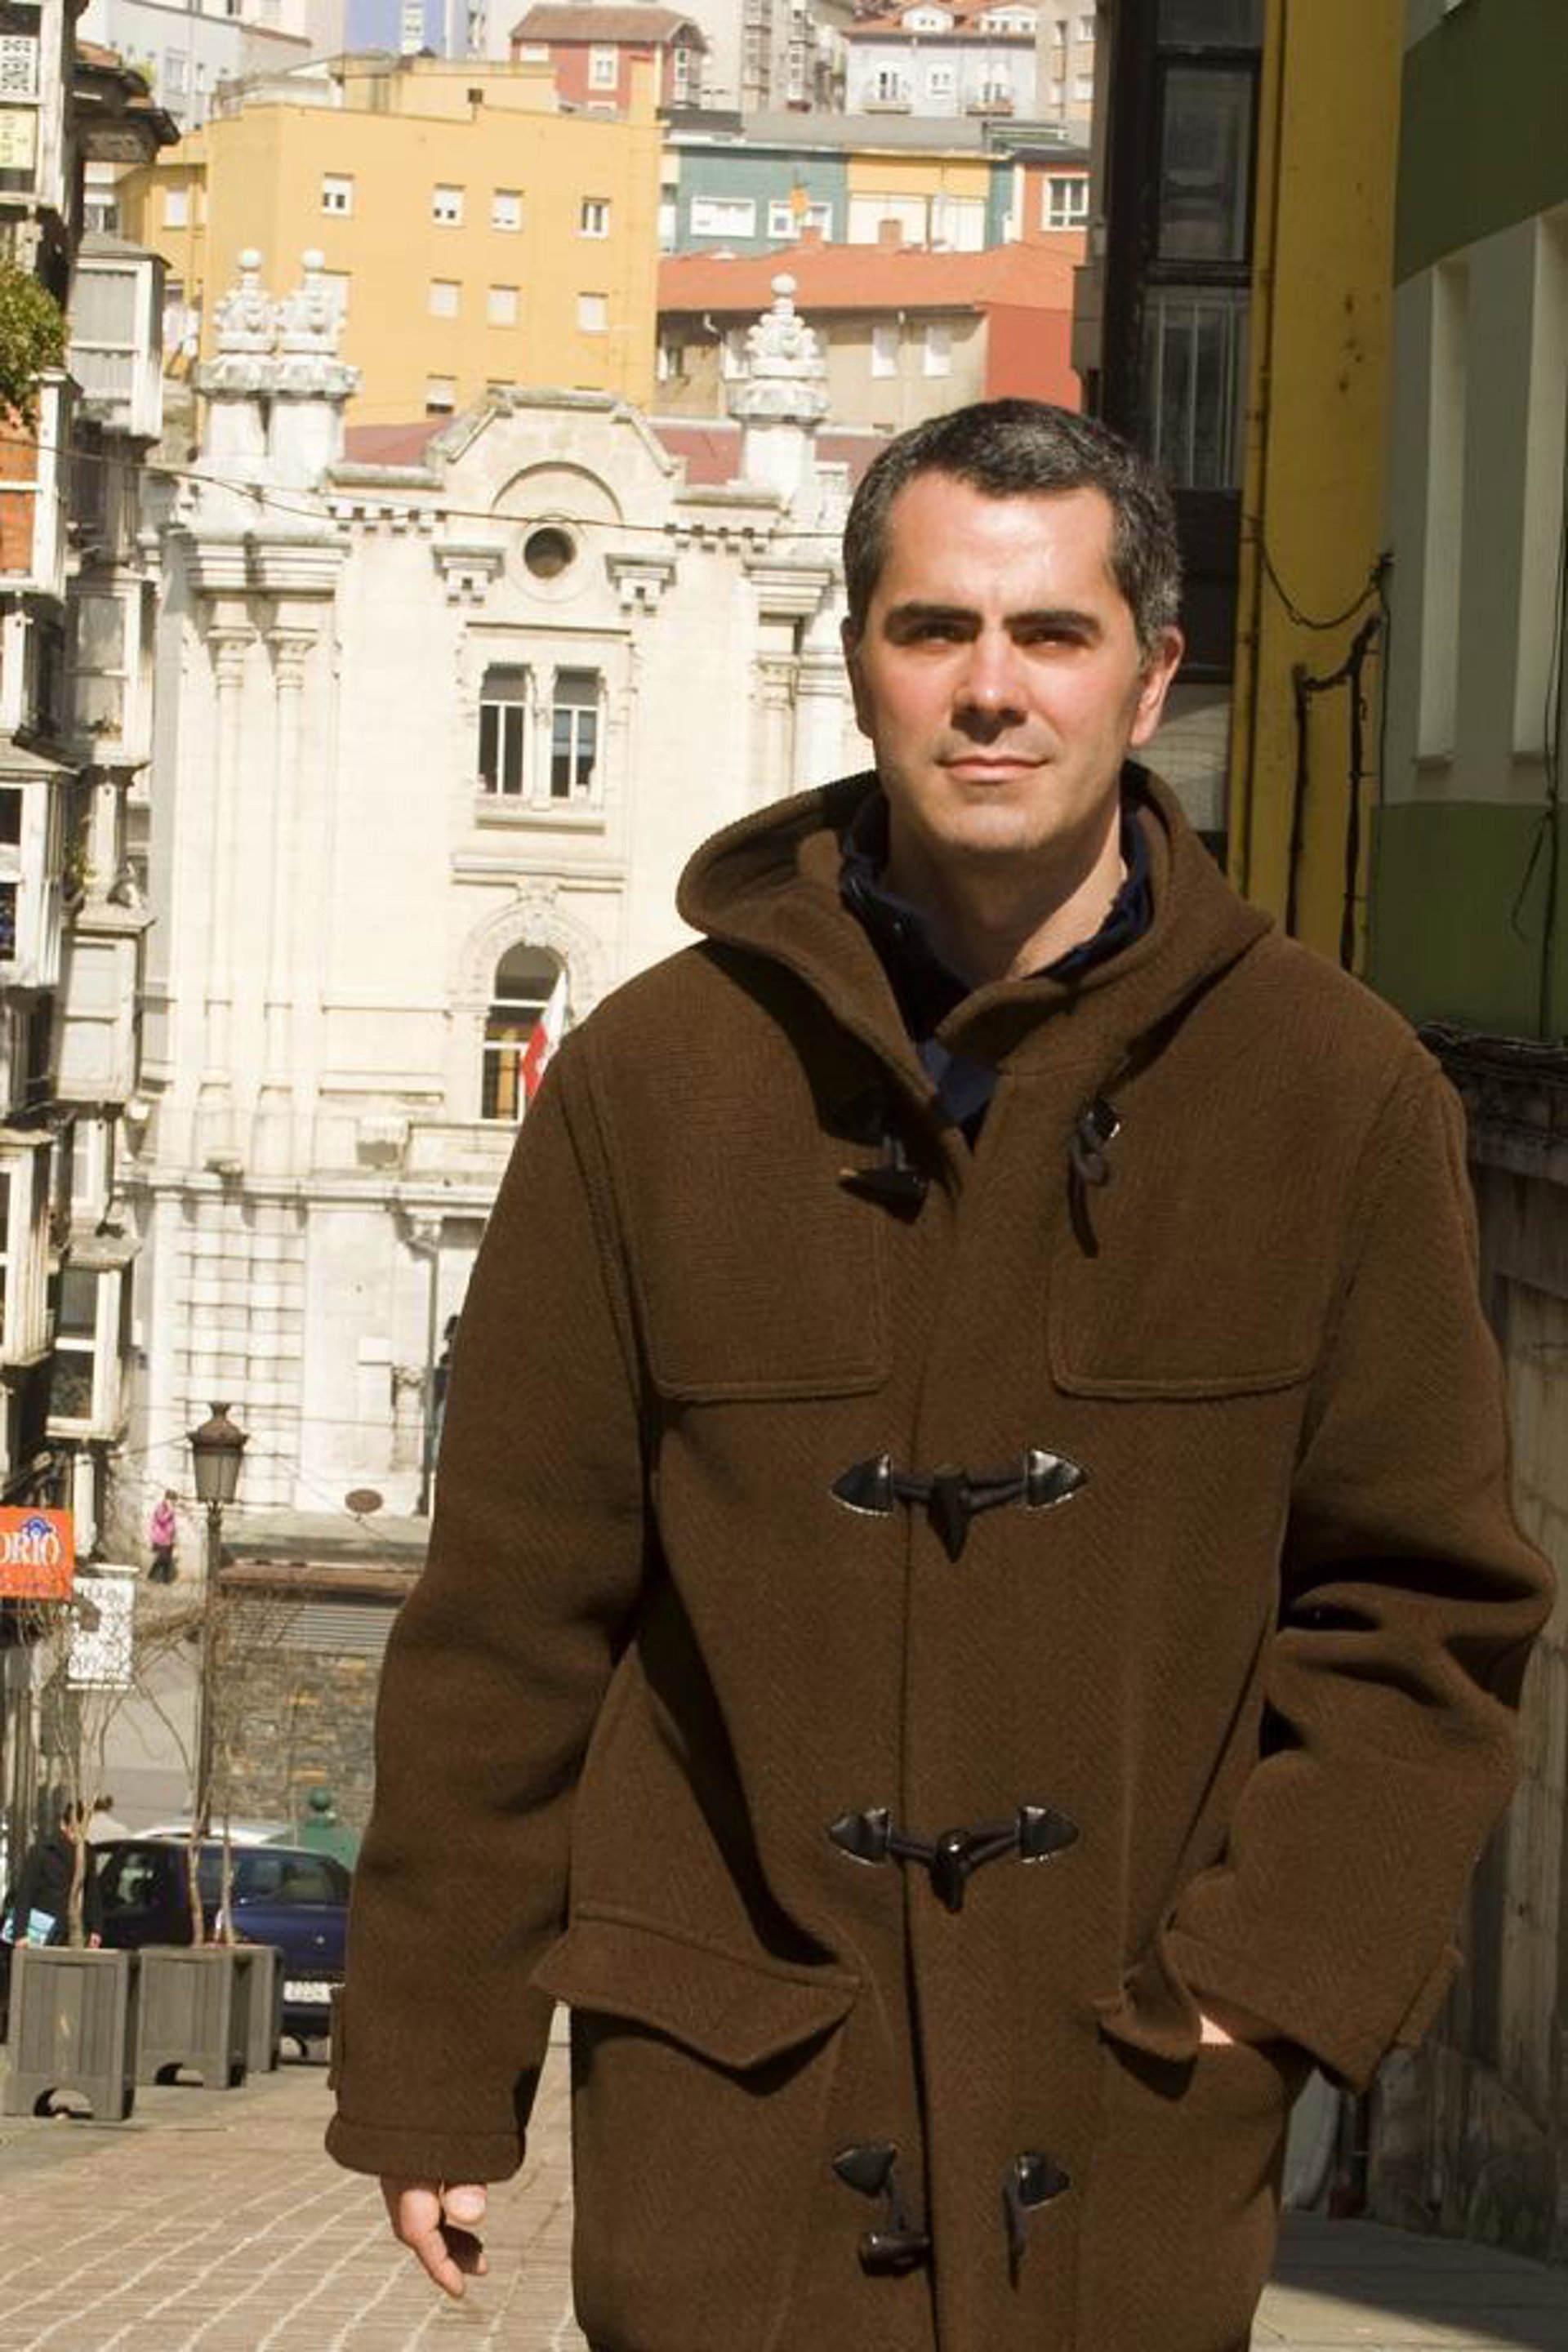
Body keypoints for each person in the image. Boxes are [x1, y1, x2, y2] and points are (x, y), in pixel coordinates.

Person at [325, 401, 1552, 2352]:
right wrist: (434, 2059)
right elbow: (510, 1617)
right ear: (857, 665)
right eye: (935, 630)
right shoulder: (653, 1084)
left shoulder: (1334, 1093)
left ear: (1148, 674)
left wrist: (1263, 1986)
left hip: (1125, 2102)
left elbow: (1423, 1611)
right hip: (737, 2098)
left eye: (1051, 633)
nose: (992, 689)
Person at [2, 1803, 104, 1948]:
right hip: (43, 1931)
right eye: (73, 1831)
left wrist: (96, 1929)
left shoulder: (87, 1853)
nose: (76, 1837)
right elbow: (25, 1893)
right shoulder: (43, 1851)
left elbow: (92, 1893)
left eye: (82, 1831)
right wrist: (20, 1933)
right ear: (63, 1825)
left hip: (74, 1932)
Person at [148, 1490, 178, 1583]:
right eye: (171, 1500)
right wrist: (170, 1512)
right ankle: (152, 1577)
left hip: (168, 1538)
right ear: (166, 1498)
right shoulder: (160, 1507)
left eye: (174, 1501)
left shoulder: (170, 1509)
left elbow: (172, 1524)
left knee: (167, 1559)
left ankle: (165, 1580)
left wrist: (174, 1536)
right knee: (162, 1558)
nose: (173, 1503)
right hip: (160, 1537)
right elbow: (161, 1519)